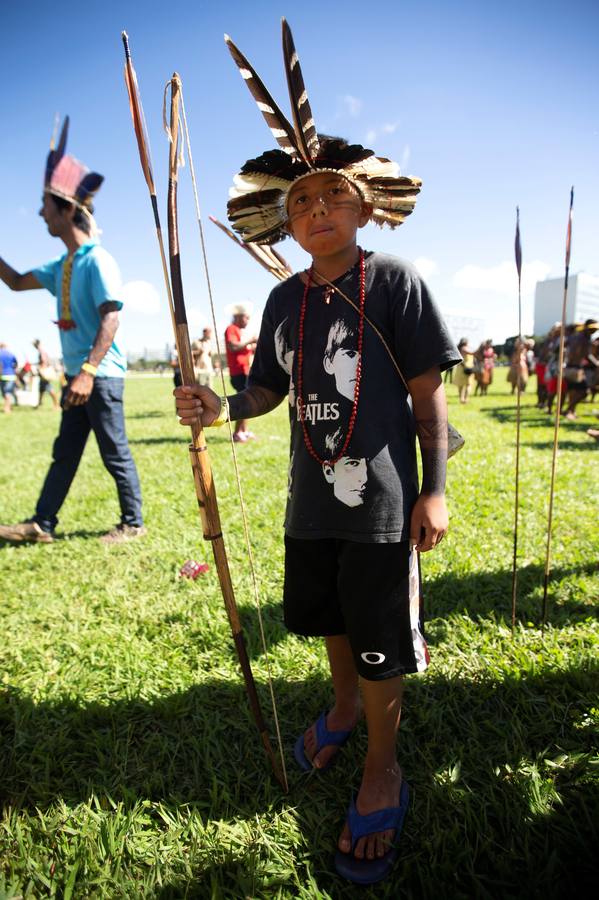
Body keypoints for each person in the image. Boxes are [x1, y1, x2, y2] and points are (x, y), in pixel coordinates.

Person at [175, 23, 460, 885]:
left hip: (380, 503)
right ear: (286, 222)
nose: (317, 211)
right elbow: (266, 389)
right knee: (330, 620)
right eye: (300, 203)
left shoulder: (395, 281)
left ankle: (382, 765)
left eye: (333, 195)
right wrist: (222, 404)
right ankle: (340, 708)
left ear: (364, 208)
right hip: (310, 501)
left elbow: (427, 394)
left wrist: (434, 489)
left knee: (378, 638)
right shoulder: (280, 301)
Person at [0, 118, 144, 544]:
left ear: (66, 210)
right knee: (64, 452)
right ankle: (42, 524)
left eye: (45, 204)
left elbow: (111, 317)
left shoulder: (98, 260)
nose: (40, 212)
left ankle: (133, 523)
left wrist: (88, 371)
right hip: (76, 377)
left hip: (99, 376)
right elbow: (15, 281)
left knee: (114, 450)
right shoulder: (60, 265)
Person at [224, 303, 257, 442]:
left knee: (248, 400)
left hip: (245, 371)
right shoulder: (231, 329)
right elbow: (233, 346)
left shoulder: (239, 331)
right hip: (238, 372)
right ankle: (237, 432)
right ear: (238, 316)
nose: (248, 321)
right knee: (245, 401)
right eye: (246, 317)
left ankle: (244, 430)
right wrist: (251, 340)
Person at [32, 338, 60, 410]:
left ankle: (57, 405)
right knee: (41, 389)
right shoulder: (42, 351)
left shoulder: (41, 351)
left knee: (49, 389)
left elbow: (44, 361)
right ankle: (39, 404)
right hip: (43, 372)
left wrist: (40, 369)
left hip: (44, 373)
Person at [453, 338, 475, 403]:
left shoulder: (459, 349)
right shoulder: (465, 348)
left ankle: (461, 399)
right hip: (468, 368)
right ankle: (465, 398)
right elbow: (473, 353)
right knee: (468, 385)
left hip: (460, 368)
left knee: (460, 385)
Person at [0, 342, 18, 414]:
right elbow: (15, 364)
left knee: (5, 393)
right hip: (11, 375)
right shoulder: (11, 354)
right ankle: (8, 407)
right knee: (8, 392)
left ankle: (7, 408)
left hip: (2, 375)